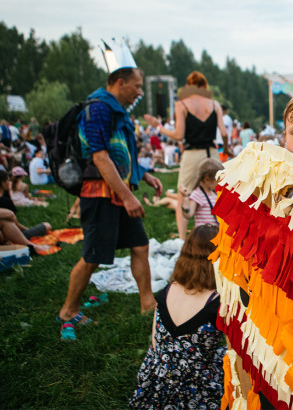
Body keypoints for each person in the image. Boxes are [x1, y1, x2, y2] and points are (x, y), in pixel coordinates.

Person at [57, 66, 163, 341]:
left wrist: (145, 175)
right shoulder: (99, 109)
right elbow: (101, 157)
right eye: (137, 86)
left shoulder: (115, 110)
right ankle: (68, 310)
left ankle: (148, 303)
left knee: (140, 245)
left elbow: (121, 153)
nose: (140, 92)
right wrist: (128, 197)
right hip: (100, 196)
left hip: (118, 193)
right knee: (92, 256)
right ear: (119, 83)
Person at [129, 224, 226, 409]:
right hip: (195, 388)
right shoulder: (216, 302)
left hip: (156, 383)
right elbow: (234, 354)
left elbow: (155, 344)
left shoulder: (168, 290)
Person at [144, 71, 232, 239]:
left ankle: (183, 241)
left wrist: (158, 127)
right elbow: (224, 132)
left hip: (192, 154)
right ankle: (224, 237)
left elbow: (178, 135)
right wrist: (226, 149)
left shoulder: (182, 104)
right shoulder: (215, 104)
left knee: (183, 193)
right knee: (220, 195)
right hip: (212, 153)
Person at [0, 171, 51, 252]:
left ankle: (31, 246)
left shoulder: (8, 194)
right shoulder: (7, 199)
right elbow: (13, 218)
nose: (9, 182)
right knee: (47, 225)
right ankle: (31, 246)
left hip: (10, 235)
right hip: (14, 235)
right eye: (7, 180)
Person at [179, 158, 223, 227]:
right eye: (218, 180)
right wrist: (185, 198)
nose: (221, 183)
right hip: (204, 235)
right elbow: (188, 215)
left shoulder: (215, 193)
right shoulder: (198, 194)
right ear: (207, 179)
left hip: (215, 233)